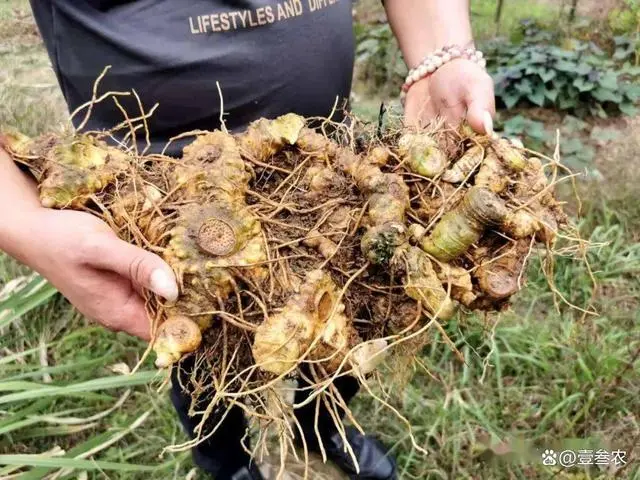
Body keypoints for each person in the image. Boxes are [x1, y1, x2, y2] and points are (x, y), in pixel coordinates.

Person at [0, 1, 495, 478]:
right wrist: (21, 220)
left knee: (349, 314)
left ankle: (320, 428)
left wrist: (442, 52)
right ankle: (228, 462)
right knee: (198, 350)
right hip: (159, 201)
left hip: (331, 174)